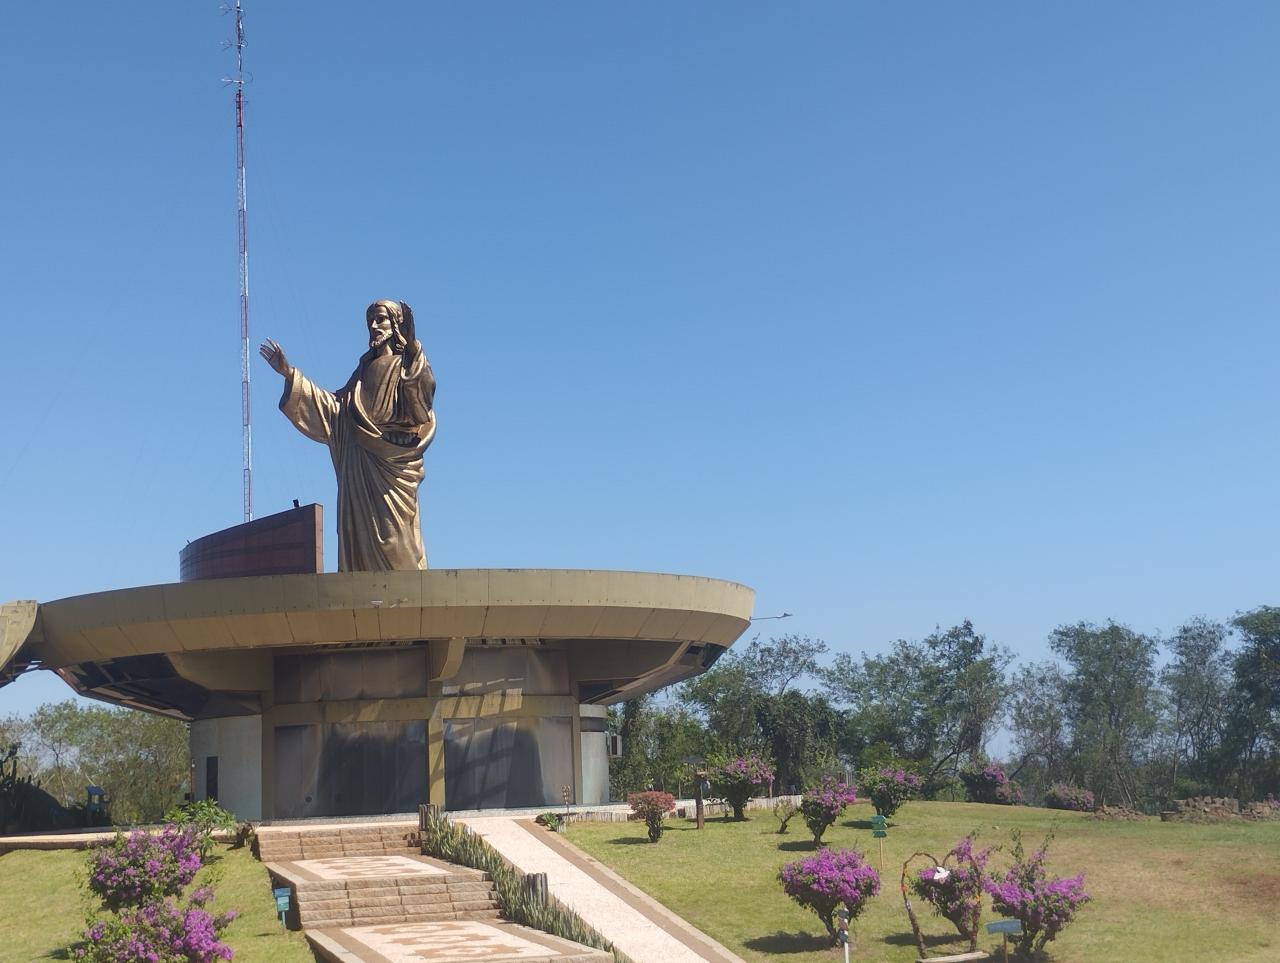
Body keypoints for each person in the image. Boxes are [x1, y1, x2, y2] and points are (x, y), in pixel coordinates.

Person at [259, 300, 436, 571]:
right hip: (356, 464)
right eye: (370, 322)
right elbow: (335, 410)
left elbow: (419, 408)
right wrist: (290, 373)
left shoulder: (407, 367)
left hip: (392, 466)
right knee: (358, 540)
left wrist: (412, 348)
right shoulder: (361, 374)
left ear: (397, 325)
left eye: (381, 320)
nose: (374, 326)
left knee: (395, 540)